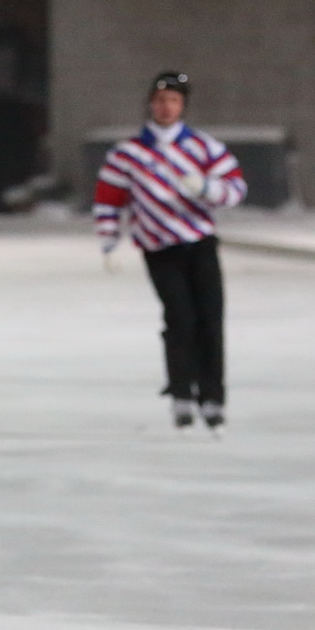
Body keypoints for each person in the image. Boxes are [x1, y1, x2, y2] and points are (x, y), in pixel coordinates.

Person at [95, 71, 246, 433]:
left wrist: (206, 188)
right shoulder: (129, 153)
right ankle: (181, 392)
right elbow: (108, 199)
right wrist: (110, 243)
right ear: (151, 103)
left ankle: (212, 396)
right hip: (159, 247)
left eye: (174, 101)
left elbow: (236, 189)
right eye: (161, 100)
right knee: (179, 318)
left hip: (200, 243)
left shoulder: (203, 147)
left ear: (183, 106)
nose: (166, 107)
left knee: (210, 318)